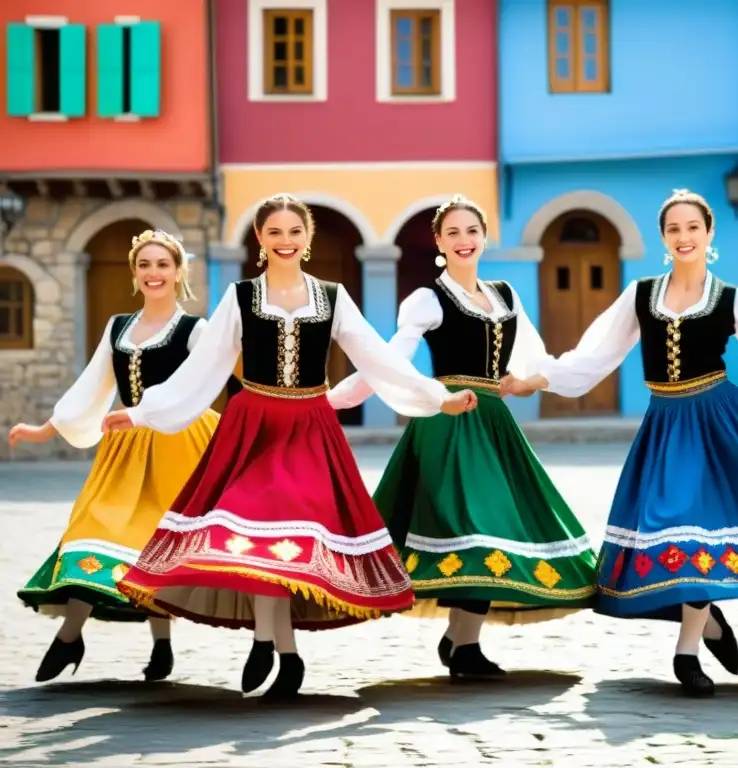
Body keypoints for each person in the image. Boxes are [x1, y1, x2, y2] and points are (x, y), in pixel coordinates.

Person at [499, 189, 738, 697]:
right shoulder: (640, 295)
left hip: (719, 422)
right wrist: (535, 380)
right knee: (671, 529)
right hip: (665, 425)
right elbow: (593, 355)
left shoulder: (730, 298)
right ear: (663, 237)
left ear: (709, 234)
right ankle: (711, 623)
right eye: (674, 229)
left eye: (692, 228)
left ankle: (687, 653)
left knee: (697, 530)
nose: (684, 237)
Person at [101, 194, 477, 698]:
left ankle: (277, 648)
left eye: (293, 232)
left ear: (307, 238)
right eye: (274, 232)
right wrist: (143, 411)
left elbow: (377, 358)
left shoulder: (332, 296)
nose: (284, 241)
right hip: (252, 428)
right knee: (255, 535)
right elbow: (204, 368)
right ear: (260, 239)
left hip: (309, 429)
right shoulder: (240, 297)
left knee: (287, 542)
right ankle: (276, 648)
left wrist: (436, 397)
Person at [329, 195, 603, 680]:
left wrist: (531, 381)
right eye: (452, 233)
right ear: (439, 242)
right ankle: (464, 644)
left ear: (484, 237)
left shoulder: (505, 296)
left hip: (493, 423)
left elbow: (533, 357)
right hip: (448, 423)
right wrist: (339, 398)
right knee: (470, 524)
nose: (463, 241)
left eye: (471, 231)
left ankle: (460, 639)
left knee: (492, 525)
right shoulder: (426, 299)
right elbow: (392, 358)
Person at [9, 230, 219, 684]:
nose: (153, 272)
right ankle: (70, 636)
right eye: (145, 264)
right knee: (95, 528)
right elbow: (93, 385)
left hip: (177, 444)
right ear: (135, 272)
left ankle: (160, 645)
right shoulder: (117, 326)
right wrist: (46, 428)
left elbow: (205, 386)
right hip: (124, 448)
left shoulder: (194, 330)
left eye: (162, 264)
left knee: (153, 542)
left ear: (178, 271)